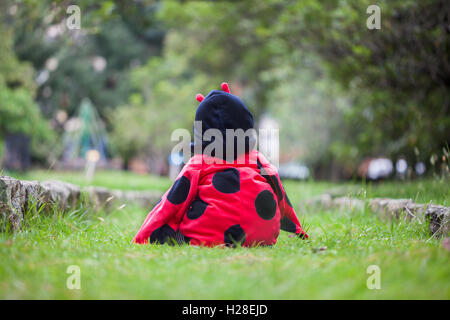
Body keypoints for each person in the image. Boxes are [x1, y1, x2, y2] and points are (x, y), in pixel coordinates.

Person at [133, 82, 308, 247]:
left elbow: (172, 201)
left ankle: (194, 235)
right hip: (264, 237)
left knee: (165, 234)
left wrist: (143, 234)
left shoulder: (199, 163)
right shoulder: (258, 159)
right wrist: (297, 228)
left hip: (210, 237)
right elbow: (280, 194)